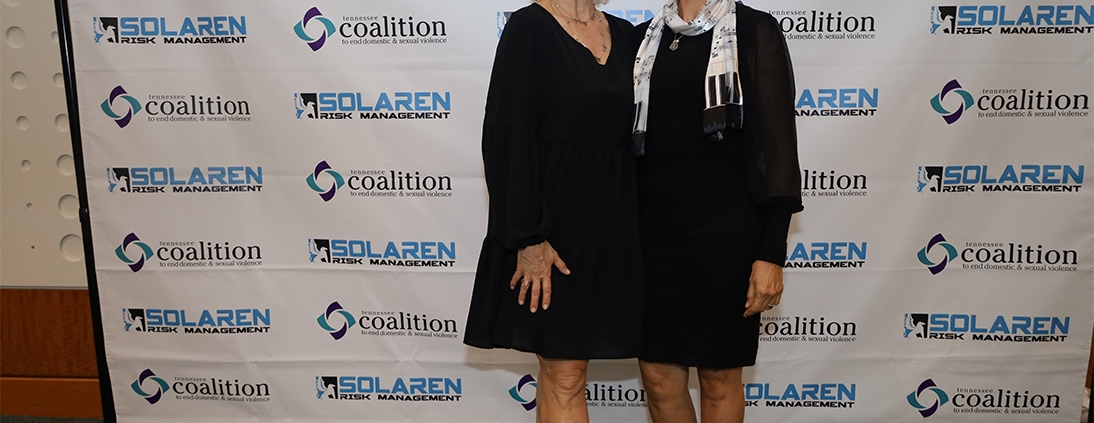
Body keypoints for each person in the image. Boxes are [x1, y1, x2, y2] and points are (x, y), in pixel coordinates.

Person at [463, 1, 643, 422]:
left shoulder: (627, 34)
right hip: (553, 237)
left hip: (615, 232)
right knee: (565, 375)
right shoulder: (529, 28)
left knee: (563, 375)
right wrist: (528, 237)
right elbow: (507, 137)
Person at [631, 0, 803, 422]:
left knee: (718, 378)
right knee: (657, 378)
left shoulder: (754, 29)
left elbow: (777, 150)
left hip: (726, 241)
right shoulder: (645, 37)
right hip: (651, 241)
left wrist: (771, 253)